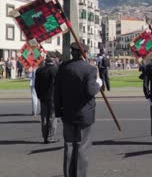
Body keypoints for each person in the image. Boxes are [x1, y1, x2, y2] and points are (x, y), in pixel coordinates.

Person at [55, 42, 102, 177]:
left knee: (69, 145)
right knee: (82, 146)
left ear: (72, 52)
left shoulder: (63, 67)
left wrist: (58, 111)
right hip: (84, 113)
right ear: (84, 53)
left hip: (67, 112)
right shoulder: (90, 69)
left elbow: (57, 91)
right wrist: (99, 83)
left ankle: (69, 174)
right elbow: (90, 91)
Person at [35, 55, 59, 144]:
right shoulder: (55, 70)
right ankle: (50, 136)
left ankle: (45, 136)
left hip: (42, 97)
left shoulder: (39, 70)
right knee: (52, 117)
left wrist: (38, 95)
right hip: (52, 97)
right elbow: (55, 85)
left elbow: (36, 85)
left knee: (44, 117)